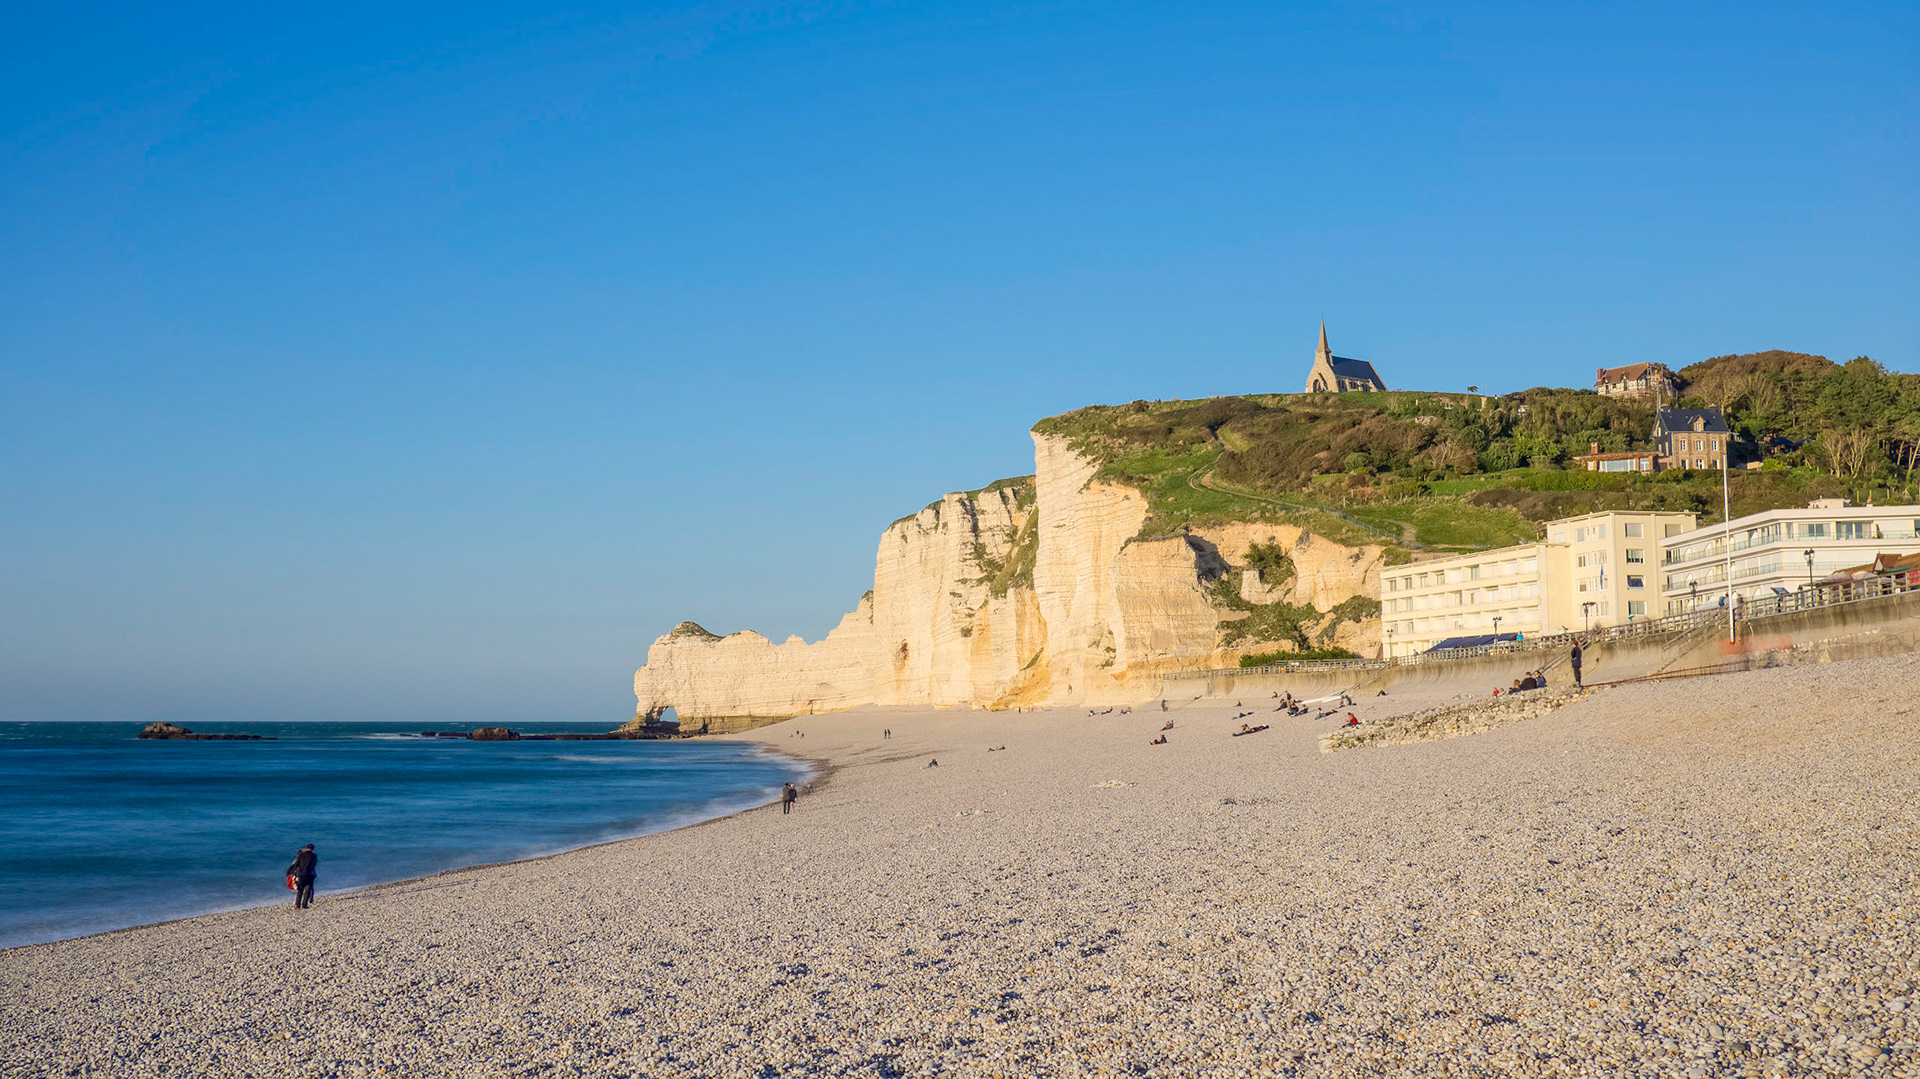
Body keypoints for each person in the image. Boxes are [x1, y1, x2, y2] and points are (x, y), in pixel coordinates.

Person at [287, 844, 317, 910]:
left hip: (301, 874)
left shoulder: (301, 855)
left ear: (307, 848)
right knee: (307, 889)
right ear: (312, 849)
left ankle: (297, 905)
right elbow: (313, 865)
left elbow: (296, 864)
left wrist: (291, 872)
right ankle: (304, 905)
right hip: (309, 874)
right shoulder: (314, 856)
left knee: (300, 890)